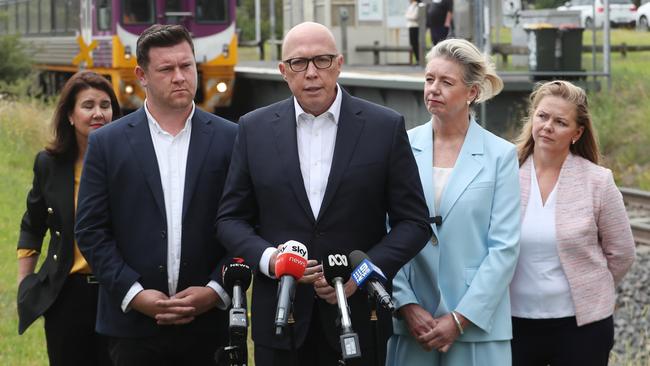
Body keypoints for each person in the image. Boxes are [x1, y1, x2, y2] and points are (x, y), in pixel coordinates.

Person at [216, 21, 432, 366]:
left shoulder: (385, 127)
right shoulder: (253, 129)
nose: (312, 72)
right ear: (283, 71)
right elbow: (230, 219)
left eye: (322, 60)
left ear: (340, 63)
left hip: (359, 318)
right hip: (280, 318)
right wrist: (273, 261)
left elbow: (415, 222)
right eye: (299, 63)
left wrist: (359, 278)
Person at [75, 24, 237, 365]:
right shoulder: (107, 143)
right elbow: (90, 230)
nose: (180, 77)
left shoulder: (232, 139)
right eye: (166, 69)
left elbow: (247, 223)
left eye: (187, 66)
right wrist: (135, 294)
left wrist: (215, 290)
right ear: (142, 75)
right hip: (133, 328)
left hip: (210, 327)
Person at [386, 38, 521, 366]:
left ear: (472, 92)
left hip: (477, 327)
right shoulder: (399, 144)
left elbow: (504, 247)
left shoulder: (501, 155)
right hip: (412, 325)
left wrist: (461, 318)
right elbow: (386, 229)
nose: (433, 89)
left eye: (446, 82)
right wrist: (406, 304)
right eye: (429, 79)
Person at [509, 80, 636, 366]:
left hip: (581, 328)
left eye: (560, 122)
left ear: (577, 133)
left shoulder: (598, 181)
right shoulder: (505, 172)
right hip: (512, 323)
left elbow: (623, 253)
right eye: (542, 116)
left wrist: (591, 286)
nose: (547, 126)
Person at [16, 70, 121, 366]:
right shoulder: (49, 164)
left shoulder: (130, 162)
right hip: (66, 294)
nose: (98, 113)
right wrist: (25, 280)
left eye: (105, 105)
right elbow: (32, 224)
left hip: (119, 293)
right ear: (70, 116)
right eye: (88, 106)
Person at [405, 0, 422, 64]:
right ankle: (417, 59)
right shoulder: (411, 6)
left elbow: (415, 16)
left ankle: (419, 59)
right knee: (412, 43)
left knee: (416, 43)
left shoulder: (417, 5)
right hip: (410, 26)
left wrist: (408, 16)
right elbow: (406, 14)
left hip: (415, 26)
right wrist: (409, 16)